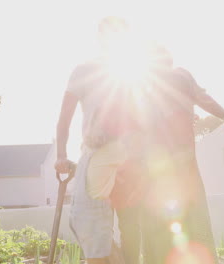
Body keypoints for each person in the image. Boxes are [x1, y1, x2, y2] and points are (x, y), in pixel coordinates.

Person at [137, 46, 224, 264]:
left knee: (159, 215)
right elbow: (202, 99)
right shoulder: (179, 76)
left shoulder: (144, 85)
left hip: (155, 162)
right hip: (180, 158)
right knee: (191, 211)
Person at [55, 16, 139, 264]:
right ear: (100, 39)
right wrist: (61, 154)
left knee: (131, 225)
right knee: (85, 221)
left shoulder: (135, 72)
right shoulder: (84, 71)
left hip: (130, 158)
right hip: (95, 154)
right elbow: (64, 117)